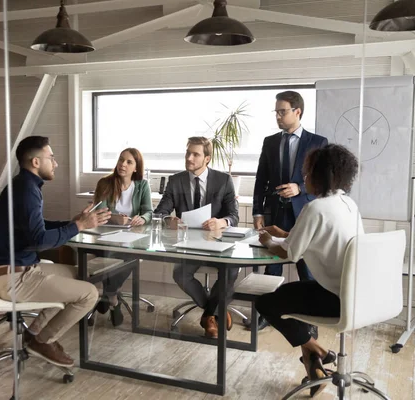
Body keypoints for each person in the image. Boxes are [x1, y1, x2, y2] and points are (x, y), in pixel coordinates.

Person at [0, 136, 111, 368]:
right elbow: (40, 240)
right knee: (88, 294)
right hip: (15, 277)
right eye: (51, 158)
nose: (55, 163)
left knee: (84, 277)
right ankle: (43, 341)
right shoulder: (26, 190)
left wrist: (73, 222)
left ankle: (34, 334)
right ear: (36, 162)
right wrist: (79, 226)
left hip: (21, 267)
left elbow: (37, 228)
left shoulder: (25, 186)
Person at [255, 144, 363, 398]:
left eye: (307, 173)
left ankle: (320, 352)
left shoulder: (314, 208)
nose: (303, 179)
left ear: (321, 175)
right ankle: (315, 366)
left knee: (267, 302)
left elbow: (289, 253)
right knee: (289, 297)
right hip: (355, 293)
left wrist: (268, 241)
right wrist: (286, 235)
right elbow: (316, 238)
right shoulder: (347, 204)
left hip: (334, 298)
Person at [251, 90, 328, 331]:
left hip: (304, 214)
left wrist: (300, 188)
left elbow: (323, 180)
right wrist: (257, 212)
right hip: (275, 213)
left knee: (306, 268)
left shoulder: (318, 142)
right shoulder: (270, 142)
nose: (278, 116)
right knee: (270, 267)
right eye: (276, 112)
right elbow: (261, 179)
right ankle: (267, 314)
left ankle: (312, 320)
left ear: (298, 112)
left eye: (282, 112)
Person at [154, 136, 239, 338]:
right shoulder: (176, 181)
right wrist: (169, 220)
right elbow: (160, 212)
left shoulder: (223, 180)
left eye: (195, 154)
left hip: (217, 241)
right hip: (189, 243)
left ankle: (209, 315)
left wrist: (221, 222)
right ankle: (216, 311)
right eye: (188, 153)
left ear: (207, 159)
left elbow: (233, 215)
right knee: (180, 274)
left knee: (231, 270)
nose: (189, 158)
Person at [92, 148, 153, 326]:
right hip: (107, 235)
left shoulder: (142, 185)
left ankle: (109, 295)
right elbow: (100, 211)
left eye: (128, 162)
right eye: (121, 160)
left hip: (132, 238)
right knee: (109, 255)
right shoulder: (105, 183)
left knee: (129, 256)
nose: (122, 165)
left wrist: (142, 218)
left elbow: (148, 211)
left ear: (136, 167)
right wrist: (115, 218)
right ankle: (112, 299)